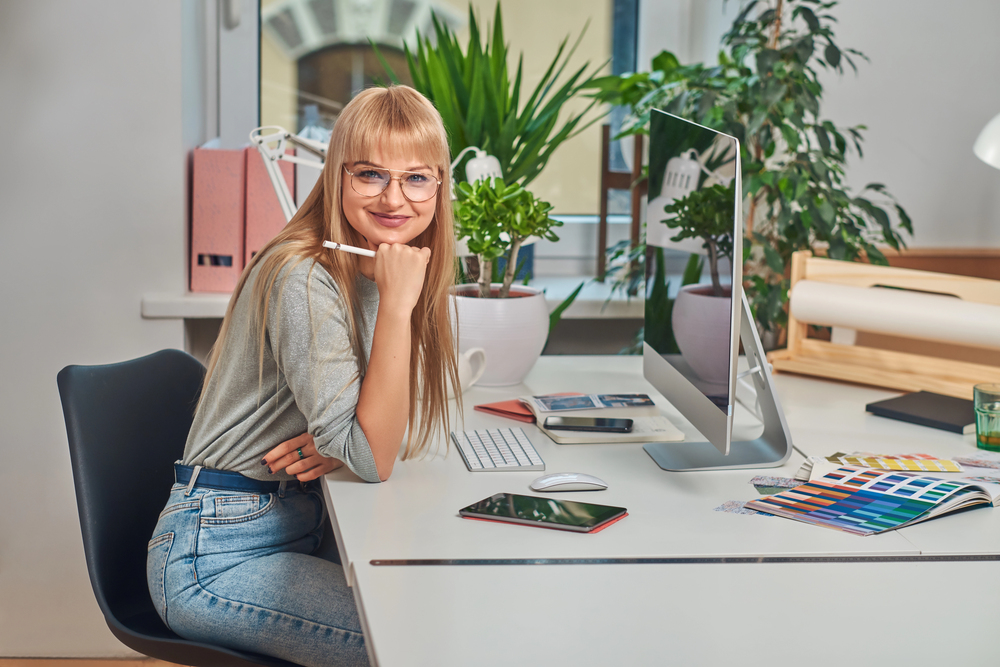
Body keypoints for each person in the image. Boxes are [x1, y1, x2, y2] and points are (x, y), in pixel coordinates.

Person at [146, 85, 460, 667]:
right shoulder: (305, 277)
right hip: (216, 553)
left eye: (417, 178)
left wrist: (342, 443)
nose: (395, 197)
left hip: (291, 526)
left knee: (450, 609)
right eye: (370, 174)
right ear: (337, 176)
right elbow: (376, 456)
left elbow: (377, 436)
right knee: (415, 643)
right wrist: (396, 313)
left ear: (440, 187)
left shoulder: (381, 264)